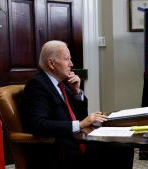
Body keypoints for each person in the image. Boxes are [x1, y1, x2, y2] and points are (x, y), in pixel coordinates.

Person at [20, 40, 134, 169]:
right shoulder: (37, 85)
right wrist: (80, 124)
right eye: (66, 59)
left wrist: (77, 92)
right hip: (58, 151)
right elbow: (37, 124)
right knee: (118, 153)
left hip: (77, 142)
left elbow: (81, 115)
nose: (71, 64)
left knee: (123, 146)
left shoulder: (62, 83)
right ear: (51, 63)